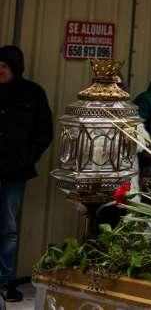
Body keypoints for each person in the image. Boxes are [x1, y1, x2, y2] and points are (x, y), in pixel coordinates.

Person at [0, 45, 53, 303]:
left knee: (8, 230)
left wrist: (25, 159)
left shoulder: (33, 93)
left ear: (15, 68)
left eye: (4, 66)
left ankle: (5, 282)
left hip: (14, 173)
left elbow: (44, 132)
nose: (0, 70)